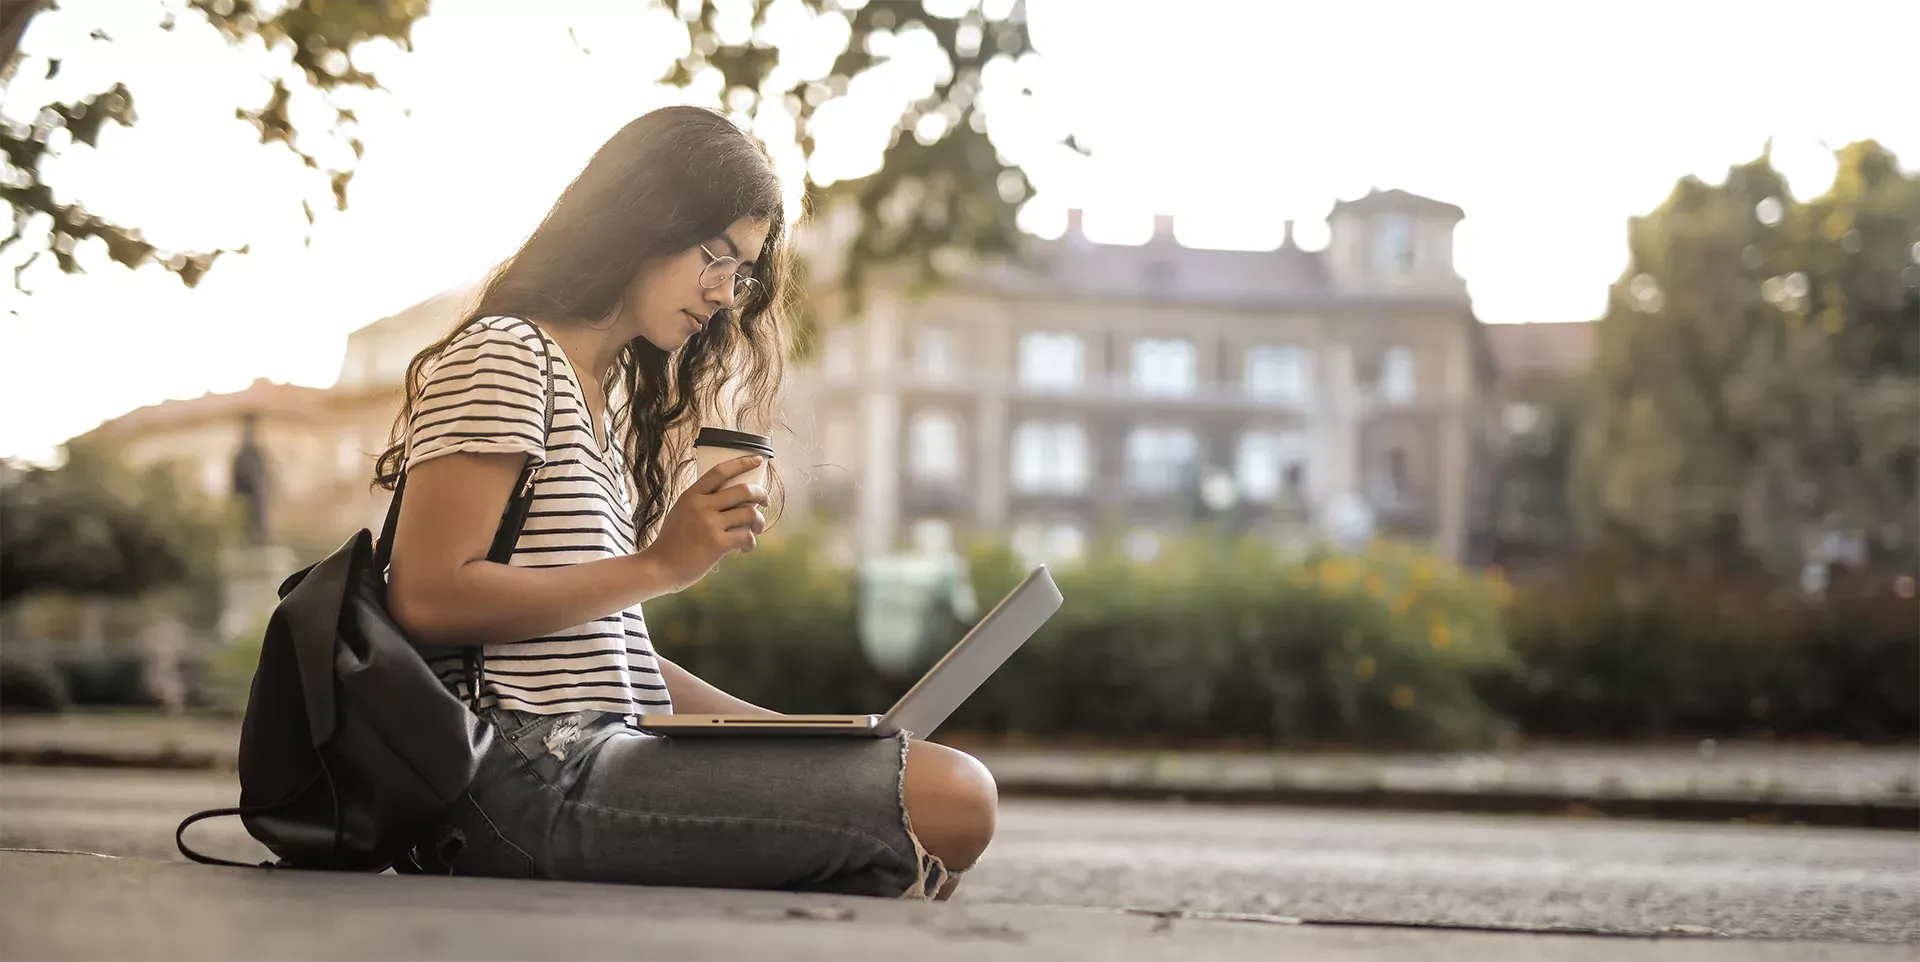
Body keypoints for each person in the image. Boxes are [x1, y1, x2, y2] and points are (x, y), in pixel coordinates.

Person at [372, 106, 995, 899]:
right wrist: (660, 565)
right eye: (715, 255)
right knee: (952, 798)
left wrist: (800, 738)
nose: (726, 293)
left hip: (590, 751)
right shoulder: (506, 352)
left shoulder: (597, 395)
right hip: (515, 776)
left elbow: (603, 647)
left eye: (742, 272)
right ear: (639, 217)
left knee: (930, 791)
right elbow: (427, 597)